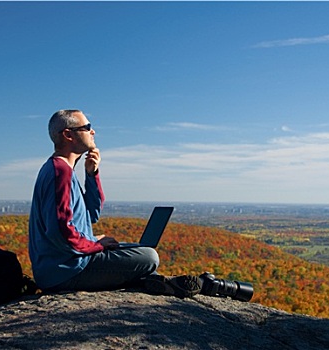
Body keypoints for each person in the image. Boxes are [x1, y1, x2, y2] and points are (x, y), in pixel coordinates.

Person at [28, 109, 201, 298]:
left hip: (69, 263)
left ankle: (154, 282)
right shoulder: (59, 171)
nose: (92, 131)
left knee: (135, 249)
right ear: (68, 135)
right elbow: (59, 232)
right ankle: (154, 281)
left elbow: (91, 214)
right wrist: (96, 245)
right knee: (150, 257)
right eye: (87, 127)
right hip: (65, 271)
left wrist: (92, 173)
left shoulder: (63, 170)